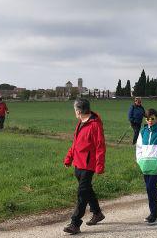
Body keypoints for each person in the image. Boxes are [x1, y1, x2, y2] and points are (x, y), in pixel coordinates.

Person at [63, 98, 106, 235]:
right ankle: (97, 213)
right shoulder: (80, 123)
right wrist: (69, 158)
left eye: (75, 110)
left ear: (79, 110)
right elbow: (75, 143)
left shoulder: (95, 125)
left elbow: (100, 146)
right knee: (87, 190)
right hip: (78, 163)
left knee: (82, 193)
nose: (74, 112)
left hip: (89, 165)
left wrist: (99, 166)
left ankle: (75, 223)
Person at [136, 109, 157, 224]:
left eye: (152, 118)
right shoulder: (142, 132)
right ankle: (154, 212)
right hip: (145, 166)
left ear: (156, 118)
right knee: (149, 189)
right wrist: (139, 161)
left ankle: (153, 213)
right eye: (147, 119)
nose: (150, 121)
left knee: (151, 188)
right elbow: (138, 148)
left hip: (156, 167)